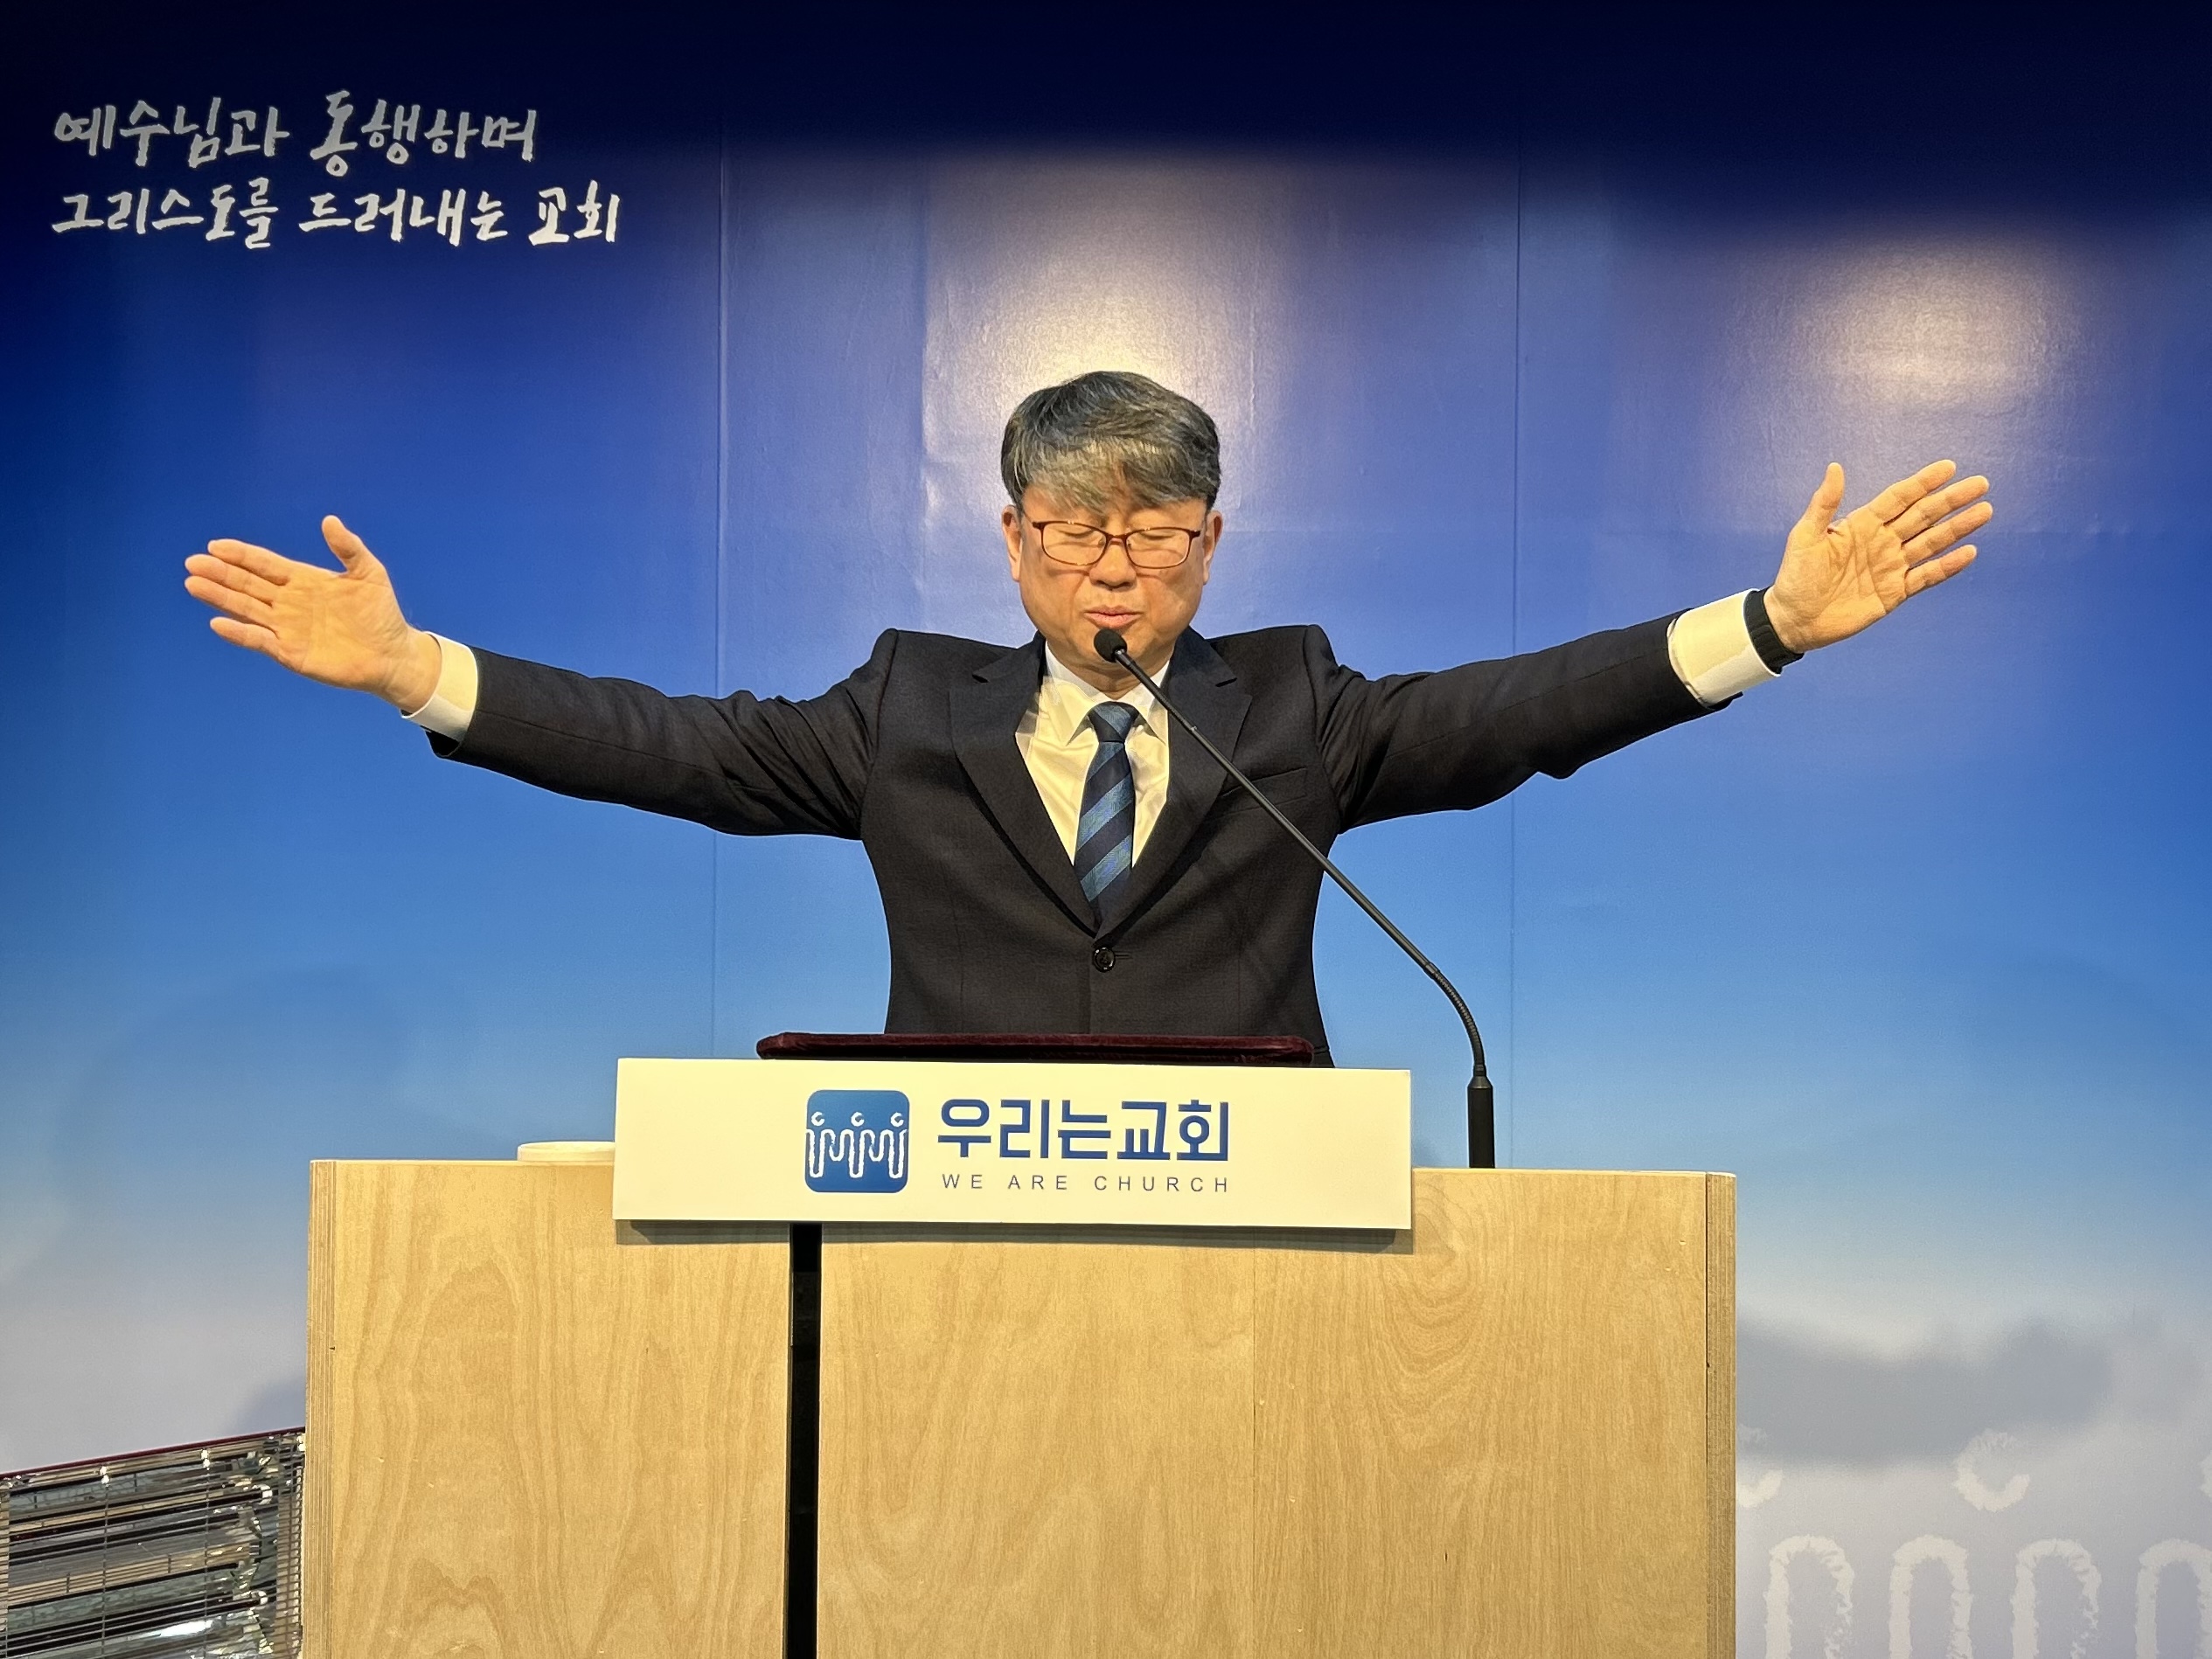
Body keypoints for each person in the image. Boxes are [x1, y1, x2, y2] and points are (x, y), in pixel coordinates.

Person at [183, 371, 1989, 1060]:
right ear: (1012, 542)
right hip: (952, 1220)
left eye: (1150, 532)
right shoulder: (906, 710)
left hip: (1251, 1217)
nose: (1109, 567)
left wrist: (1768, 625)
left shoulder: (1293, 709)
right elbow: (676, 749)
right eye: (1072, 531)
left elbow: (1519, 710)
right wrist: (417, 670)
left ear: (1209, 543)